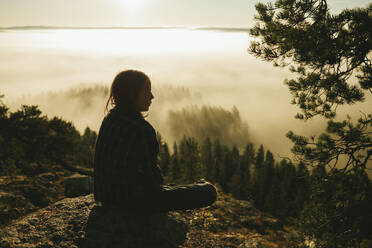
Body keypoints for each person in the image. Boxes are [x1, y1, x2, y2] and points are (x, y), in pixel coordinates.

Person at [93, 69, 217, 216]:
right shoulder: (142, 129)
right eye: (147, 91)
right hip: (133, 203)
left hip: (104, 197)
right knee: (209, 192)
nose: (152, 96)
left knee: (172, 189)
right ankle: (203, 186)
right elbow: (153, 184)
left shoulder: (109, 119)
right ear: (132, 94)